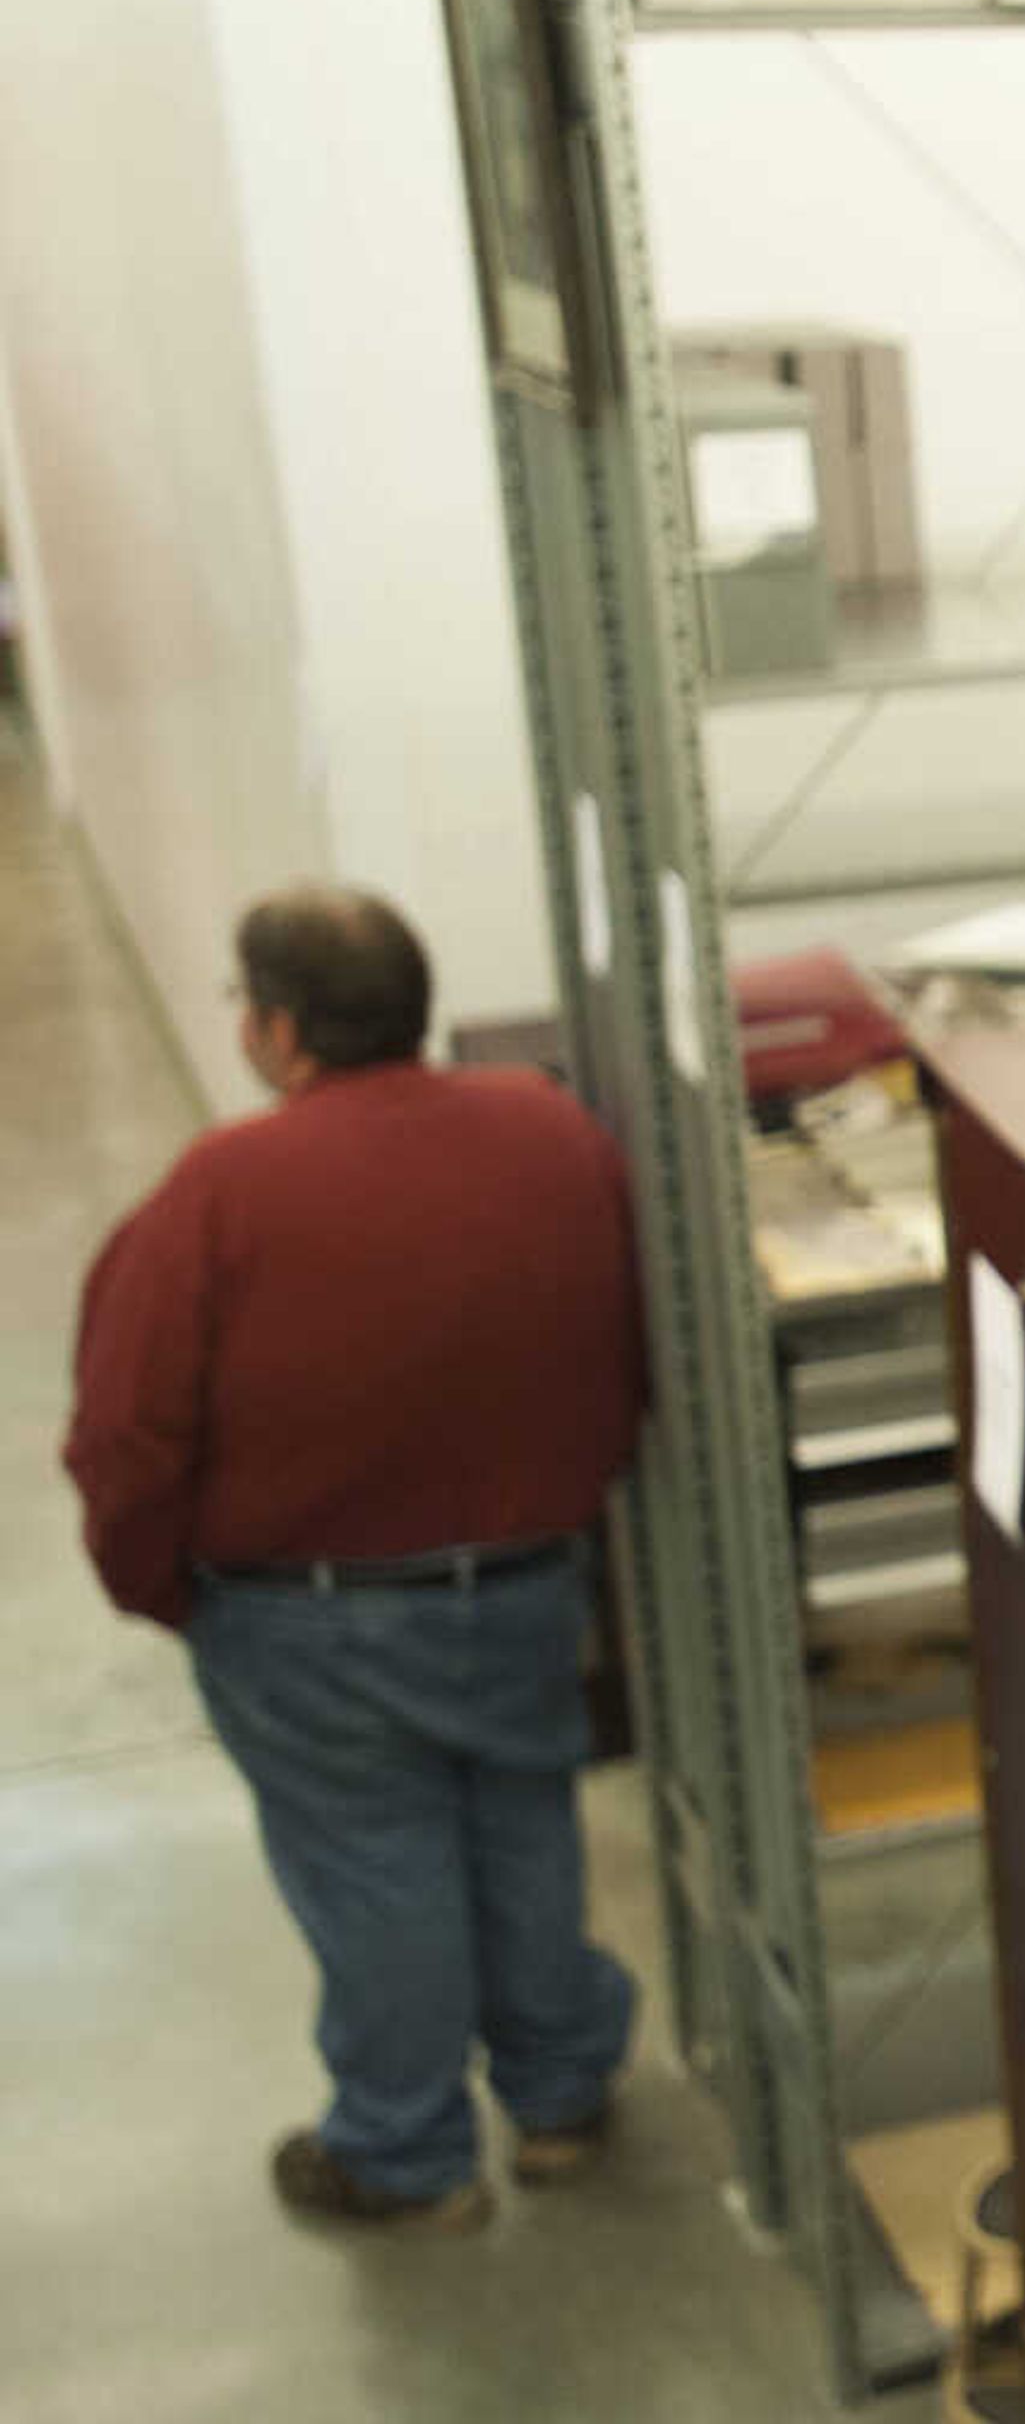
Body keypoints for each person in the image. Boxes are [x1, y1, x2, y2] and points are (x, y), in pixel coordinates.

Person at [65, 885, 646, 2229]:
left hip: (310, 1616)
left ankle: (406, 2154)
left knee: (377, 1867)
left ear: (274, 1027)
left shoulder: (224, 1186)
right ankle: (561, 2097)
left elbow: (128, 1434)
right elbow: (615, 1342)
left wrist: (161, 1587)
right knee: (523, 1828)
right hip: (524, 1581)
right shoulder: (546, 1128)